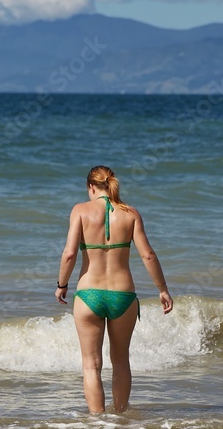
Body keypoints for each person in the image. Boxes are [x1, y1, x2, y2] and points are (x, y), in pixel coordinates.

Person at [56, 166, 174, 414]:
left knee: (91, 365)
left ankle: (99, 423)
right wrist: (162, 289)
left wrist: (62, 285)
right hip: (123, 297)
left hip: (89, 295)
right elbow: (148, 255)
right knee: (120, 361)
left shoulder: (80, 211)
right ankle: (120, 418)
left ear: (91, 187)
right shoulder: (131, 213)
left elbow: (69, 254)